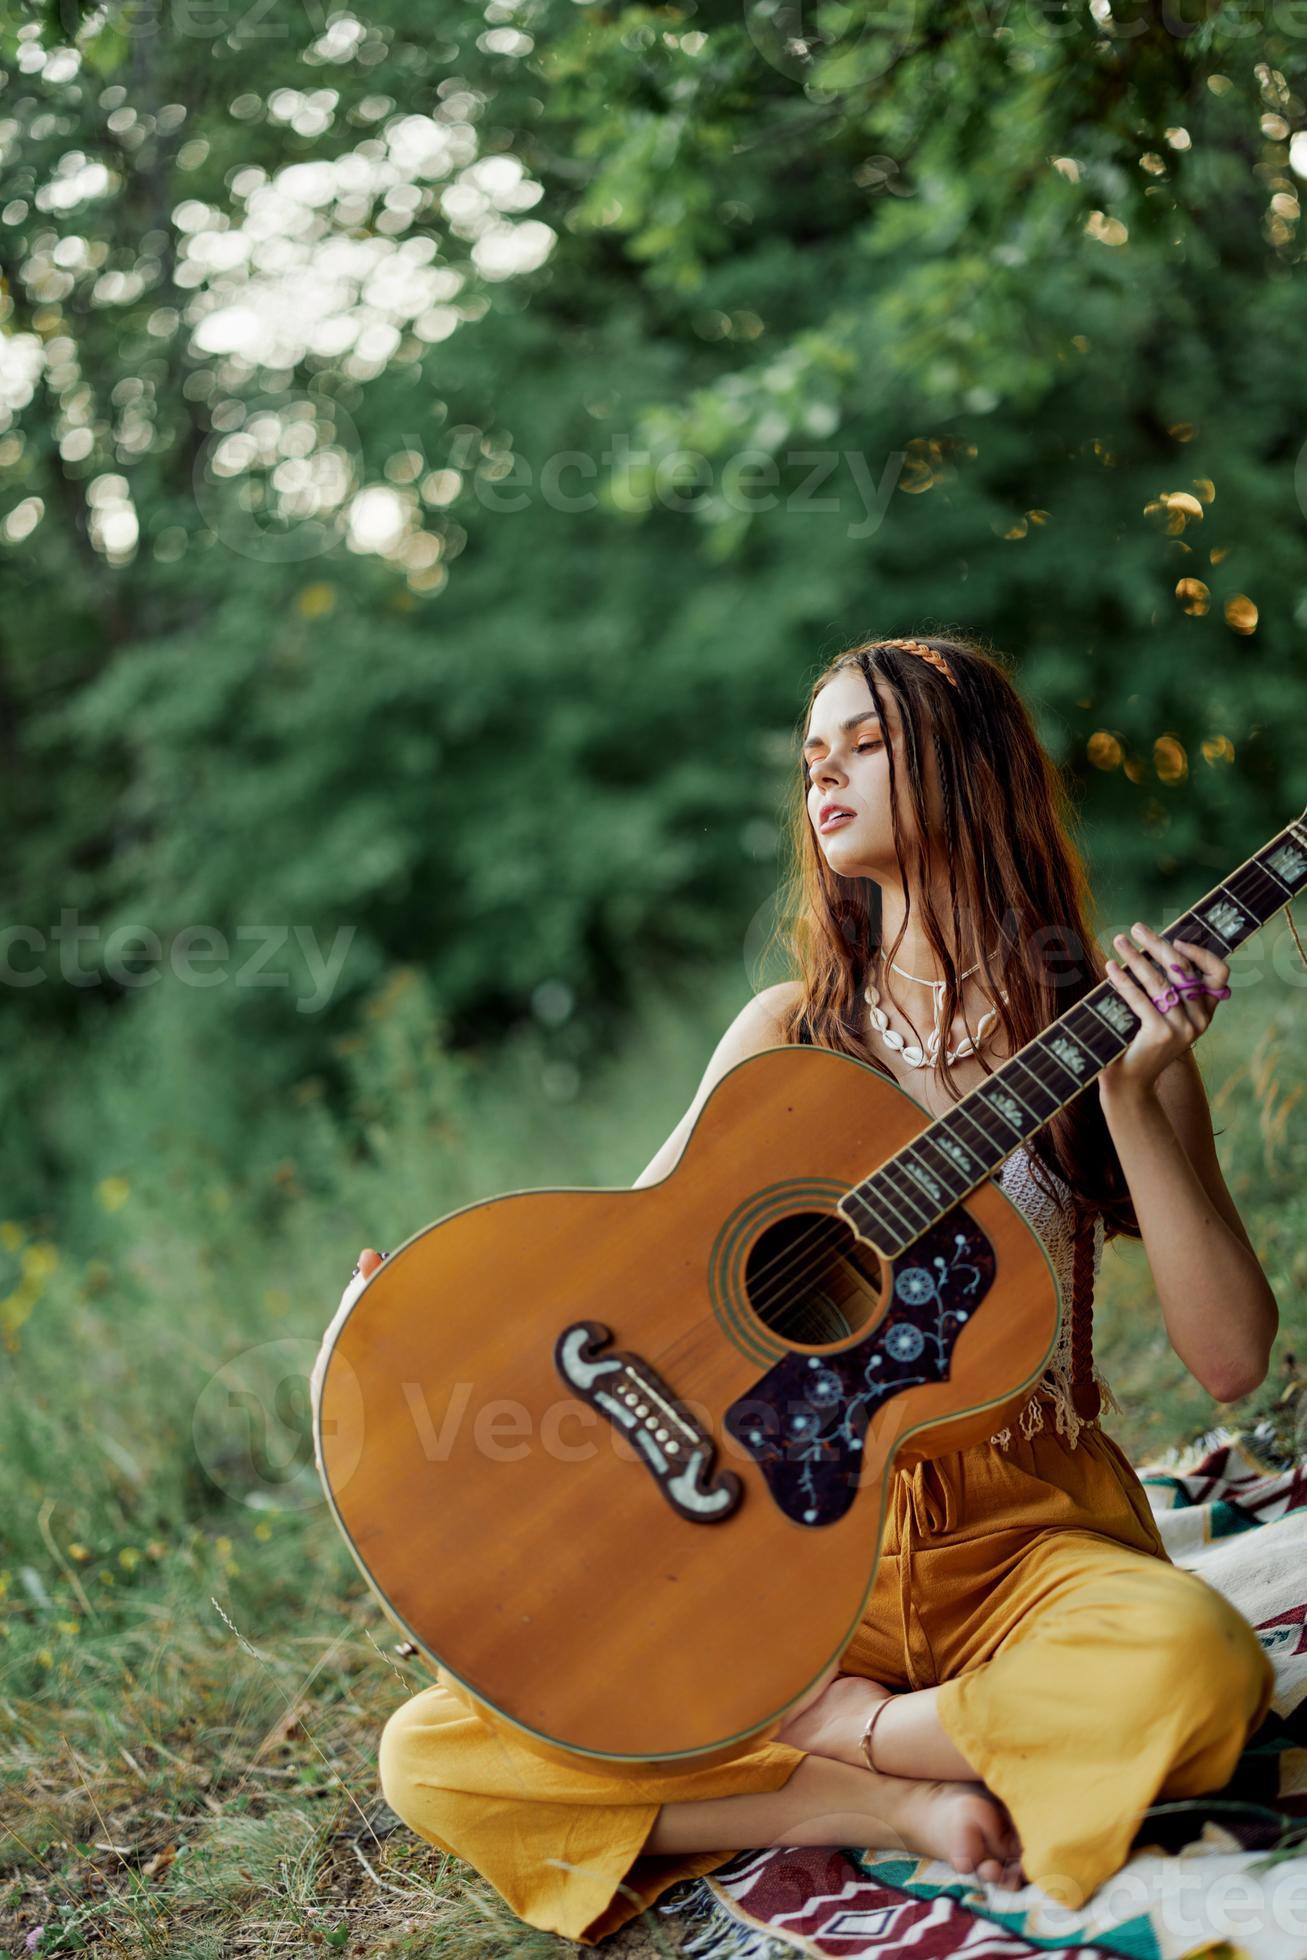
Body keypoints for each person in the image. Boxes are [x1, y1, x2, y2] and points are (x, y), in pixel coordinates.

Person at [322, 635, 1279, 1947]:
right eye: (811, 752)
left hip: (1023, 1541)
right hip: (781, 1554)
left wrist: (1135, 1094)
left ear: (971, 760)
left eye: (865, 742)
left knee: (1201, 1670)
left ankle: (866, 1740)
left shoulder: (1115, 1038)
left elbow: (1229, 1361)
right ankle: (884, 1810)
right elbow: (614, 1272)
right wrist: (401, 1334)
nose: (823, 771)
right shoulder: (788, 1037)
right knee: (431, 1755)